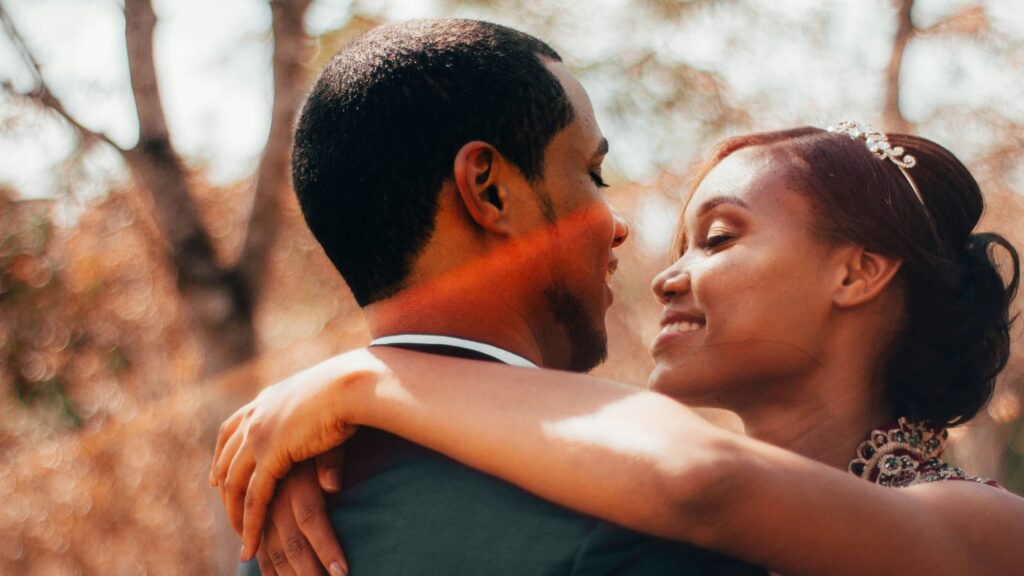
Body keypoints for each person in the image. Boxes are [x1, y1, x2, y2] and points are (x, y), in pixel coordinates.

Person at [213, 122, 1024, 575]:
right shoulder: (630, 514)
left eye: (717, 238)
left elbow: (702, 481)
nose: (668, 276)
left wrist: (368, 377)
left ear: (857, 272)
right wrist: (350, 462)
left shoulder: (984, 526)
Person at [216, 17, 761, 576]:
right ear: (490, 189)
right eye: (593, 173)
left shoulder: (278, 542)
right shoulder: (641, 507)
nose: (616, 224)